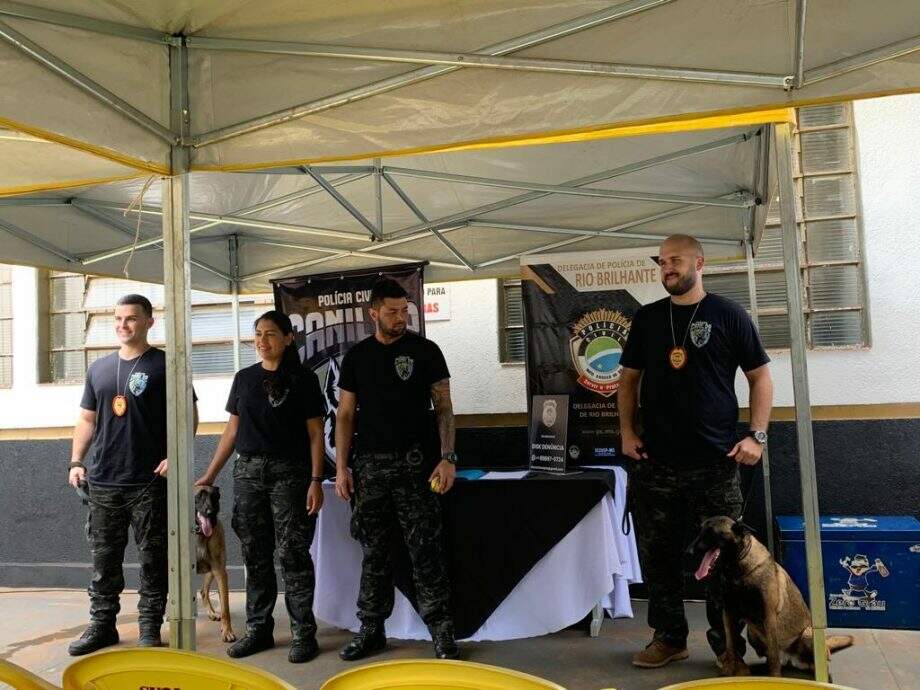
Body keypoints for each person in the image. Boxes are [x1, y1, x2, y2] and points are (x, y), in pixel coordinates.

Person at [618, 234, 773, 670]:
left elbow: (760, 378)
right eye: (662, 261)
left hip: (716, 463)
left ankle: (728, 649)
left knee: (726, 564)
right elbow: (628, 381)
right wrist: (627, 432)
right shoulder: (648, 319)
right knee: (659, 556)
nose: (667, 268)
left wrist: (756, 436)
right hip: (657, 463)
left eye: (676, 260)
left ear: (699, 263)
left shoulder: (727, 314)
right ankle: (669, 638)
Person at [334, 278, 459, 660]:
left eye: (405, 310)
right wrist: (341, 467)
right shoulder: (357, 358)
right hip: (370, 468)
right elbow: (345, 415)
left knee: (426, 551)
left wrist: (448, 457)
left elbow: (444, 408)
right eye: (392, 311)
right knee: (374, 552)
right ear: (373, 313)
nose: (401, 317)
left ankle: (441, 632)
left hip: (417, 467)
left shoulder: (426, 351)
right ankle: (371, 629)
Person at [67, 294, 198, 656]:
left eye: (132, 319)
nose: (124, 325)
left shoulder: (166, 364)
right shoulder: (99, 369)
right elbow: (87, 419)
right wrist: (76, 461)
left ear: (149, 322)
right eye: (119, 319)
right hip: (104, 481)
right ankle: (102, 626)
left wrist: (177, 455)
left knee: (154, 560)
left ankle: (148, 628)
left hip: (149, 482)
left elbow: (188, 414)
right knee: (103, 562)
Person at [196, 310, 326, 664]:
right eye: (257, 334)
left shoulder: (303, 380)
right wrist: (209, 474)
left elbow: (316, 434)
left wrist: (316, 480)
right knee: (255, 553)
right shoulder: (244, 379)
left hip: (291, 474)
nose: (262, 340)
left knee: (293, 554)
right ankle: (259, 629)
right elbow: (232, 432)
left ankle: (303, 633)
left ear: (287, 339)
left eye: (270, 334)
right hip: (249, 473)